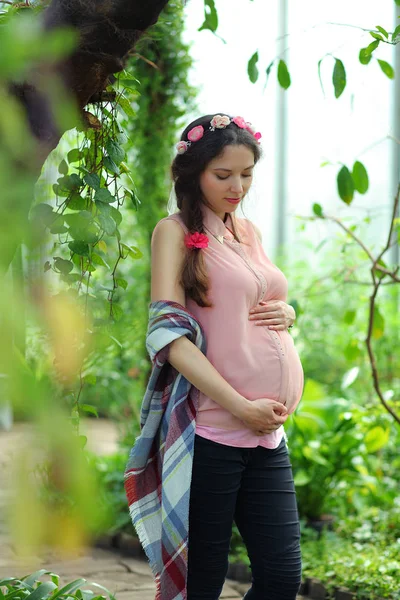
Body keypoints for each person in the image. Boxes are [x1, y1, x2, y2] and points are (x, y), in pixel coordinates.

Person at [124, 114, 304, 600]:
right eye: (223, 175)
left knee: (282, 577)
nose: (237, 186)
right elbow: (168, 335)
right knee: (202, 581)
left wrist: (287, 312)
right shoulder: (174, 232)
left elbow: (250, 302)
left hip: (267, 436)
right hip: (212, 432)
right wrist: (240, 405)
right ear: (193, 172)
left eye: (246, 174)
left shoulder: (248, 232)